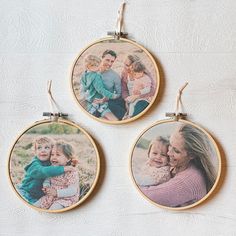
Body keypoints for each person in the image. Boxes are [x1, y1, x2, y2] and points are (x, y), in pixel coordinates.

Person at [140, 124, 217, 208]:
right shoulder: (176, 165)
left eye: (176, 151)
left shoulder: (188, 180)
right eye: (170, 145)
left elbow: (148, 196)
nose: (168, 153)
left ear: (192, 155)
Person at [17, 137, 73, 204]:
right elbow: (43, 171)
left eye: (46, 148)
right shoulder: (34, 164)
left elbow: (62, 161)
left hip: (38, 197)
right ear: (35, 151)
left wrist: (71, 163)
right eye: (39, 148)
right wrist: (63, 169)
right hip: (25, 192)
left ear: (52, 150)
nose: (42, 150)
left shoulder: (51, 162)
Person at [35, 141, 80, 210]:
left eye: (58, 155)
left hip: (65, 198)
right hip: (51, 196)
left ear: (68, 159)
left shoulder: (71, 172)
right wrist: (46, 186)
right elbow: (47, 179)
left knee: (54, 209)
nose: (54, 157)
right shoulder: (52, 169)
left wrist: (56, 193)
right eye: (52, 154)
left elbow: (72, 190)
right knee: (35, 206)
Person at [81, 55, 119, 120]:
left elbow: (83, 89)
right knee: (115, 119)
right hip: (100, 102)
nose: (99, 67)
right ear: (89, 66)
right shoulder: (96, 76)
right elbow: (101, 90)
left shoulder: (84, 75)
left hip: (90, 102)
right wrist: (112, 95)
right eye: (97, 66)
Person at [94, 50, 126, 120]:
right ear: (101, 58)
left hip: (106, 104)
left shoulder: (115, 76)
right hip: (91, 104)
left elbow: (119, 94)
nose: (109, 63)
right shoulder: (92, 72)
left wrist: (107, 98)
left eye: (112, 61)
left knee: (114, 121)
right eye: (107, 60)